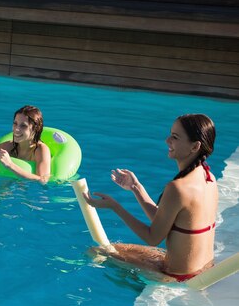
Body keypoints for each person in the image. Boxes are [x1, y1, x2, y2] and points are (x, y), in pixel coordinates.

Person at [84, 113, 218, 282]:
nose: (167, 140)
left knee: (96, 251)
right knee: (115, 247)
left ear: (194, 147)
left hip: (177, 277)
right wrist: (136, 187)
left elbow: (152, 238)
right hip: (203, 270)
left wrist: (115, 206)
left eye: (175, 137)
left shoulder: (178, 188)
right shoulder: (209, 177)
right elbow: (164, 221)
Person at [0, 105, 50, 182]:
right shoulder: (9, 146)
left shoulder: (40, 149)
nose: (16, 129)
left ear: (35, 129)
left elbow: (43, 180)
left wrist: (10, 165)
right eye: (15, 123)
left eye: (23, 126)